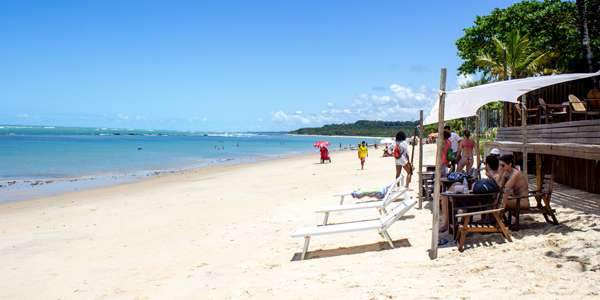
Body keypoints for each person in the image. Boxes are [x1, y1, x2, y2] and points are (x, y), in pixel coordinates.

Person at [439, 155, 499, 232]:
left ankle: (446, 223)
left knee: (446, 197)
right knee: (456, 184)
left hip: (477, 202)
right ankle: (442, 197)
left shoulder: (495, 177)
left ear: (488, 165)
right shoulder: (495, 176)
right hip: (477, 200)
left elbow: (493, 194)